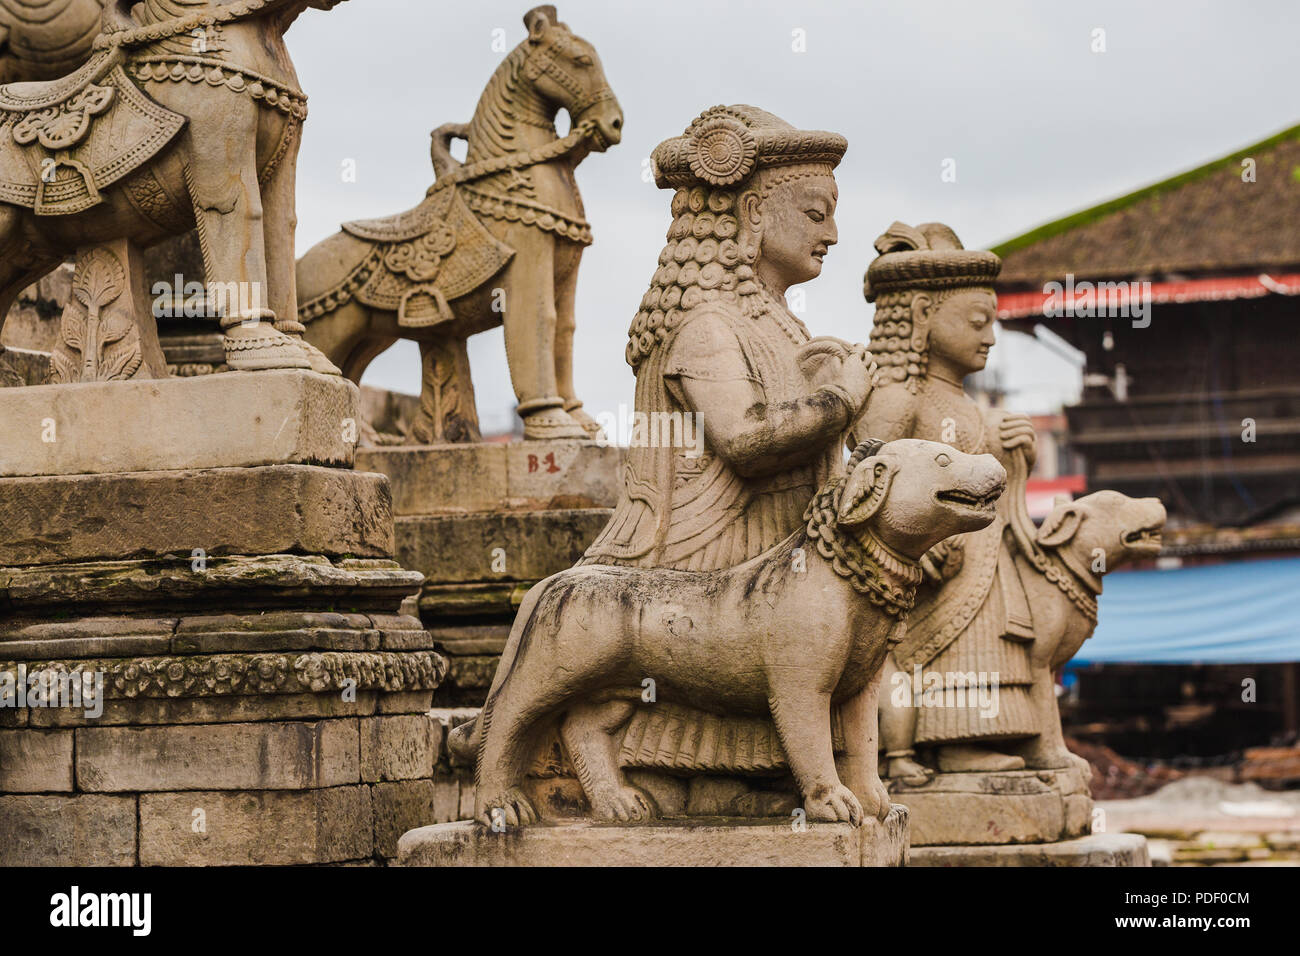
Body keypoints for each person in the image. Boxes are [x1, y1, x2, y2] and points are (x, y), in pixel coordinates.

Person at [582, 104, 874, 570]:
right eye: (816, 214)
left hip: (782, 564)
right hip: (715, 569)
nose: (833, 235)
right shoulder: (706, 325)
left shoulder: (778, 324)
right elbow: (745, 440)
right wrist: (840, 399)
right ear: (754, 211)